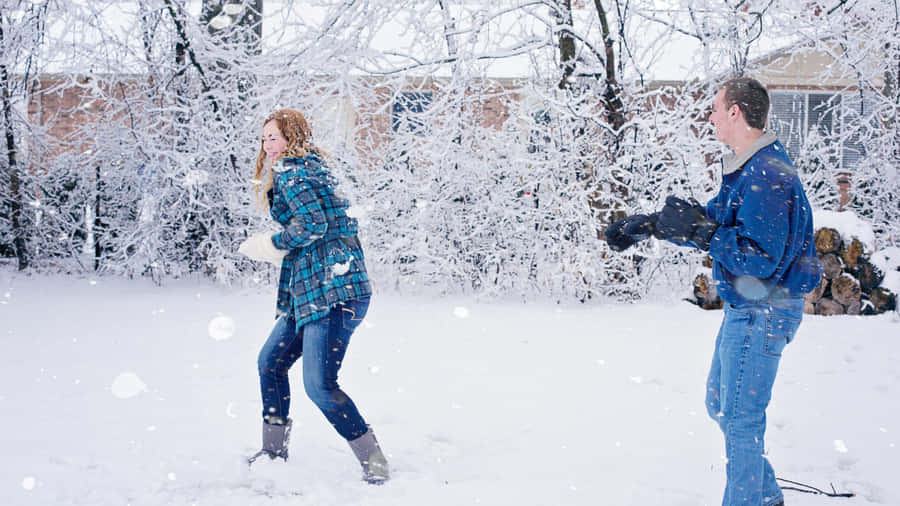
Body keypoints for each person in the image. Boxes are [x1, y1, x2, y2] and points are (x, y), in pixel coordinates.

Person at [605, 77, 822, 506]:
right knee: (721, 403)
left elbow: (757, 258)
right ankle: (767, 497)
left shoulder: (766, 174)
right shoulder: (750, 167)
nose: (711, 116)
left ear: (736, 112)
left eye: (716, 107)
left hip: (764, 310)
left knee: (741, 419)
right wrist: (650, 225)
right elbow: (715, 222)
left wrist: (706, 234)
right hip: (749, 308)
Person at [238, 109, 389, 484]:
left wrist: (272, 244)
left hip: (334, 292)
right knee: (270, 362)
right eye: (263, 139)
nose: (267, 146)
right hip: (316, 291)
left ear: (293, 137)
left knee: (319, 385)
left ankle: (375, 463)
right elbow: (324, 226)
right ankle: (273, 452)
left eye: (274, 137)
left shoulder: (294, 169)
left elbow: (313, 225)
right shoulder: (311, 168)